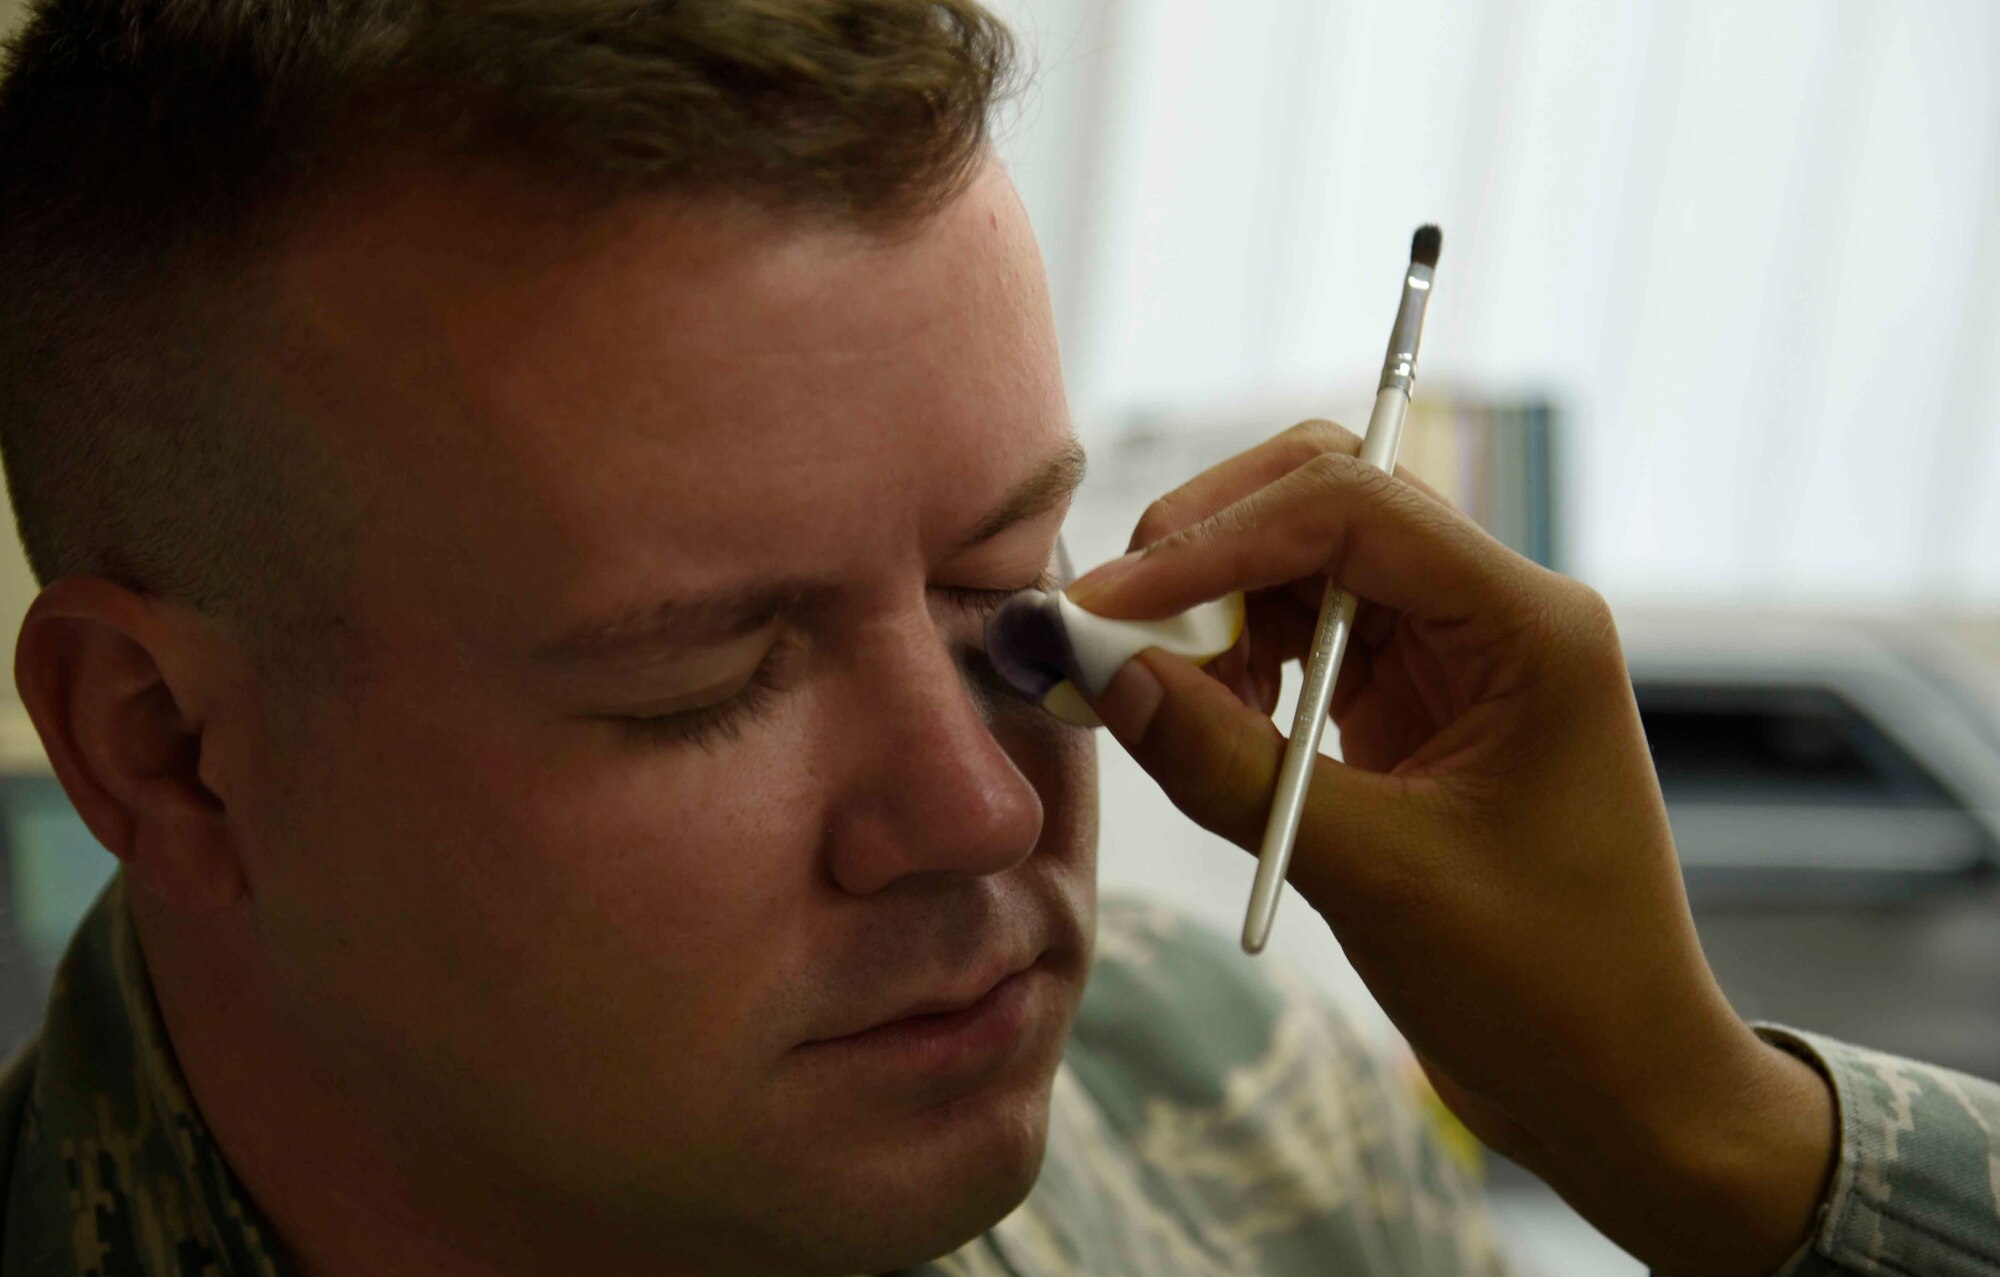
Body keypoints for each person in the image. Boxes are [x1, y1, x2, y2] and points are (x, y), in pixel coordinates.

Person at [0, 7, 1995, 1277]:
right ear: (163, 748)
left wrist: (1712, 1131)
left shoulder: (1227, 1104)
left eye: (1003, 578)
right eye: (703, 676)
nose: (977, 806)